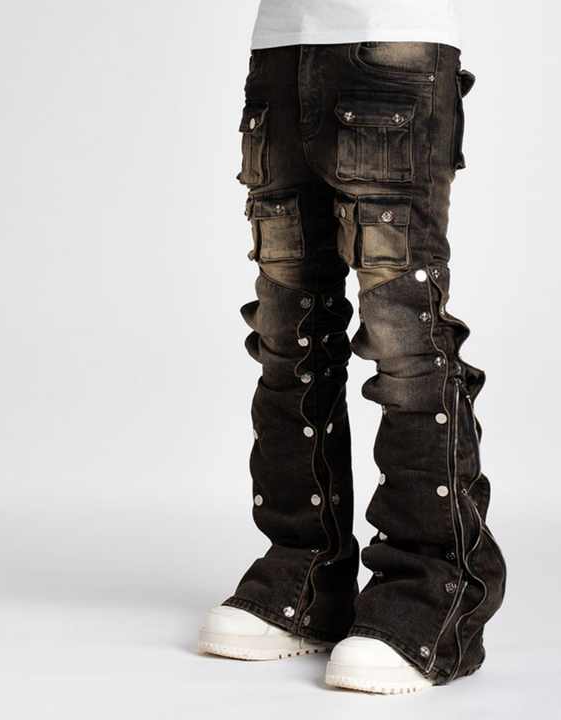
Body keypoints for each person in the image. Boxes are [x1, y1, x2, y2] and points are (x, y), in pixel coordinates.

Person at [198, 0, 506, 694]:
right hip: (280, 50)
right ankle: (306, 573)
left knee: (404, 335)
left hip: (393, 44)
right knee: (287, 332)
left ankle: (432, 594)